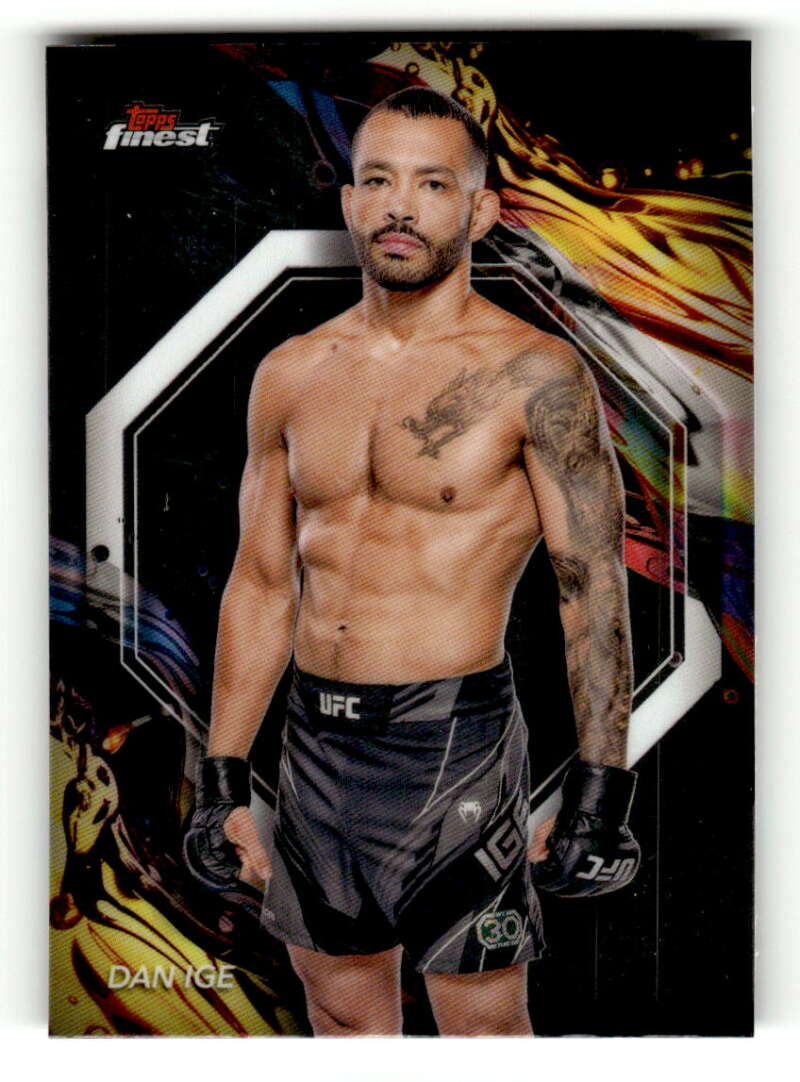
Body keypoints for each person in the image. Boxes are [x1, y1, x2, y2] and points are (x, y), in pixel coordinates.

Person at [184, 87, 640, 1037]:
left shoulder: (534, 374)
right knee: (343, 1019)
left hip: (453, 743)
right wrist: (221, 774)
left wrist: (602, 789)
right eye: (379, 180)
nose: (401, 206)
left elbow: (590, 588)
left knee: (481, 1033)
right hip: (315, 746)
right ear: (350, 201)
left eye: (433, 184)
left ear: (480, 210)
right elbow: (261, 585)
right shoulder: (290, 372)